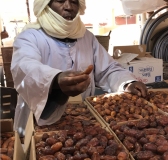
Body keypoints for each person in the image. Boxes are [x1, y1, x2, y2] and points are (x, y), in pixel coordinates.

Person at [11, 0, 147, 136]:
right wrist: (56, 79)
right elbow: (25, 67)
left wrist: (127, 83)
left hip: (82, 122)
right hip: (39, 126)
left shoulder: (87, 37)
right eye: (60, 1)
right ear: (46, 5)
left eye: (74, 2)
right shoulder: (29, 37)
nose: (69, 7)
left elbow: (108, 69)